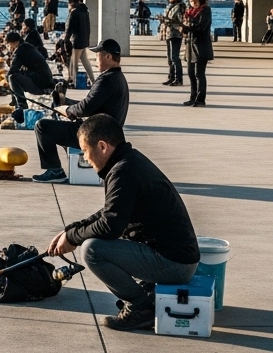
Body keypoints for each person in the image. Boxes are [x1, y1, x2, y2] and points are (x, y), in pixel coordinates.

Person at [46, 115, 200, 331]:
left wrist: (74, 238)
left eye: (84, 150)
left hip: (175, 265)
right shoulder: (128, 161)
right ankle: (146, 294)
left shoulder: (123, 171)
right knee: (92, 240)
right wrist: (71, 230)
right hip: (176, 257)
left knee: (93, 250)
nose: (85, 157)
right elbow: (111, 211)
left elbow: (110, 226)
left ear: (101, 146)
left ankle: (140, 308)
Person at [31, 39, 129, 184]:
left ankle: (55, 171)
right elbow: (92, 104)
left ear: (108, 57)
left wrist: (68, 110)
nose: (95, 58)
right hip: (107, 132)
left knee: (43, 127)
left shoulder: (106, 80)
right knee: (64, 124)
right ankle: (67, 165)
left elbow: (85, 108)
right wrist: (67, 103)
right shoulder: (118, 78)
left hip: (96, 135)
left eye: (97, 55)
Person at [4, 30, 55, 119]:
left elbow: (12, 71)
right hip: (45, 82)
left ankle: (22, 105)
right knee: (13, 77)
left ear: (15, 42)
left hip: (41, 86)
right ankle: (16, 102)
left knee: (12, 78)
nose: (9, 47)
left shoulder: (20, 51)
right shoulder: (26, 47)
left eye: (9, 44)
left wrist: (5, 84)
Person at [180, 0, 213, 107]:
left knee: (199, 73)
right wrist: (182, 29)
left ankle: (200, 99)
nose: (192, 1)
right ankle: (192, 97)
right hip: (190, 46)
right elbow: (186, 29)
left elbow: (202, 27)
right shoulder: (189, 12)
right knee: (190, 73)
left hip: (201, 46)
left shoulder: (206, 10)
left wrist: (188, 27)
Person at [156, 0, 185, 86]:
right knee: (169, 58)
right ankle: (171, 77)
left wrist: (169, 21)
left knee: (175, 57)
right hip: (168, 33)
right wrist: (162, 20)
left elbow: (182, 22)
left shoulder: (180, 7)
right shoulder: (170, 6)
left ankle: (178, 78)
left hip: (176, 34)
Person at [65, 0, 96, 84]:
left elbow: (69, 28)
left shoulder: (74, 13)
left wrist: (66, 40)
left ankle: (72, 81)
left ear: (71, 4)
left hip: (77, 40)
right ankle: (92, 79)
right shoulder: (85, 11)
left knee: (73, 62)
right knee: (85, 60)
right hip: (84, 39)